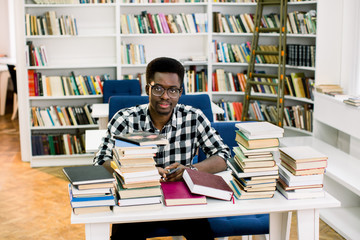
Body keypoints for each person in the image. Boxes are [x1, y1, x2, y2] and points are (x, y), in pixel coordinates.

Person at [94, 57, 231, 239]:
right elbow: (101, 161)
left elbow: (223, 155)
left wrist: (190, 171)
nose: (165, 96)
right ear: (147, 89)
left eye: (172, 90)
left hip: (183, 201)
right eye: (158, 88)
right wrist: (143, 172)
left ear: (180, 92)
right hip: (137, 200)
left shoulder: (193, 118)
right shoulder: (125, 119)